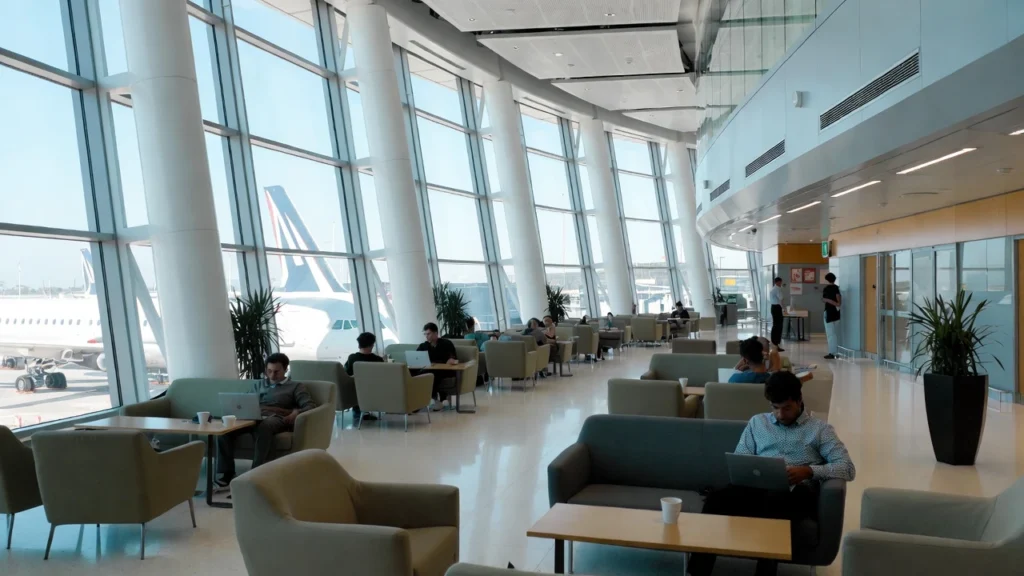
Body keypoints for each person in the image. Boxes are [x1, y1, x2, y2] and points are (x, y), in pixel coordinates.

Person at [688, 372, 856, 576]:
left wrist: (809, 471)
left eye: (787, 408)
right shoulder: (757, 423)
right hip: (756, 489)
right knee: (715, 501)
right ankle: (696, 572)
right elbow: (742, 457)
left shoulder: (820, 430)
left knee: (776, 504)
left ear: (799, 400)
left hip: (796, 493)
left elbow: (847, 467)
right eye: (775, 408)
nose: (780, 415)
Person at [216, 352, 316, 490]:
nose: (272, 376)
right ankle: (227, 473)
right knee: (224, 431)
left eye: (276, 372)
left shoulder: (296, 386)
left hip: (277, 418)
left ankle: (255, 473)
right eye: (269, 371)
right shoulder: (259, 385)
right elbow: (244, 401)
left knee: (265, 427)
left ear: (285, 369)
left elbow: (310, 406)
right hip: (253, 416)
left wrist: (296, 412)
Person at [417, 322, 458, 409]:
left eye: (428, 334)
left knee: (432, 374)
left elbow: (452, 358)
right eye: (425, 334)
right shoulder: (423, 346)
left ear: (436, 333)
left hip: (445, 371)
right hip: (428, 369)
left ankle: (435, 399)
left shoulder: (446, 343)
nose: (426, 336)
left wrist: (450, 360)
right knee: (418, 373)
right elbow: (416, 357)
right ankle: (415, 402)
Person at [344, 332, 384, 421]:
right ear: (372, 345)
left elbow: (347, 373)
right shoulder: (377, 360)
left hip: (353, 392)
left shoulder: (352, 358)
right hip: (373, 391)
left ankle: (358, 410)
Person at [822, 273, 841, 359]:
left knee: (830, 334)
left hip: (829, 312)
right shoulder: (837, 288)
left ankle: (832, 353)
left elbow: (824, 299)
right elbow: (839, 301)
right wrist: (836, 304)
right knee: (835, 333)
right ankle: (836, 351)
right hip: (836, 312)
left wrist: (829, 301)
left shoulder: (826, 289)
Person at [769, 277, 785, 352]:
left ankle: (774, 344)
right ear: (778, 282)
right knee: (778, 326)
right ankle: (776, 344)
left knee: (776, 325)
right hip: (777, 308)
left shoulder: (773, 289)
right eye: (781, 282)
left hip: (773, 307)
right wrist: (784, 309)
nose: (781, 283)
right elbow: (781, 299)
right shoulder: (778, 289)